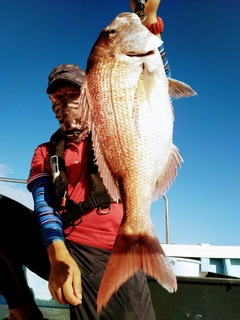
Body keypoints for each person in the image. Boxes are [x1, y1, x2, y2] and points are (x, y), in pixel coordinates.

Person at [0, 1, 171, 319]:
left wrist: (146, 18)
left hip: (114, 247)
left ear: (91, 94)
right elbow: (44, 205)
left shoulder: (115, 129)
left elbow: (152, 82)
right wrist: (58, 253)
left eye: (73, 93)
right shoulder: (45, 151)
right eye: (56, 95)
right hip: (64, 244)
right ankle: (24, 311)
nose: (63, 101)